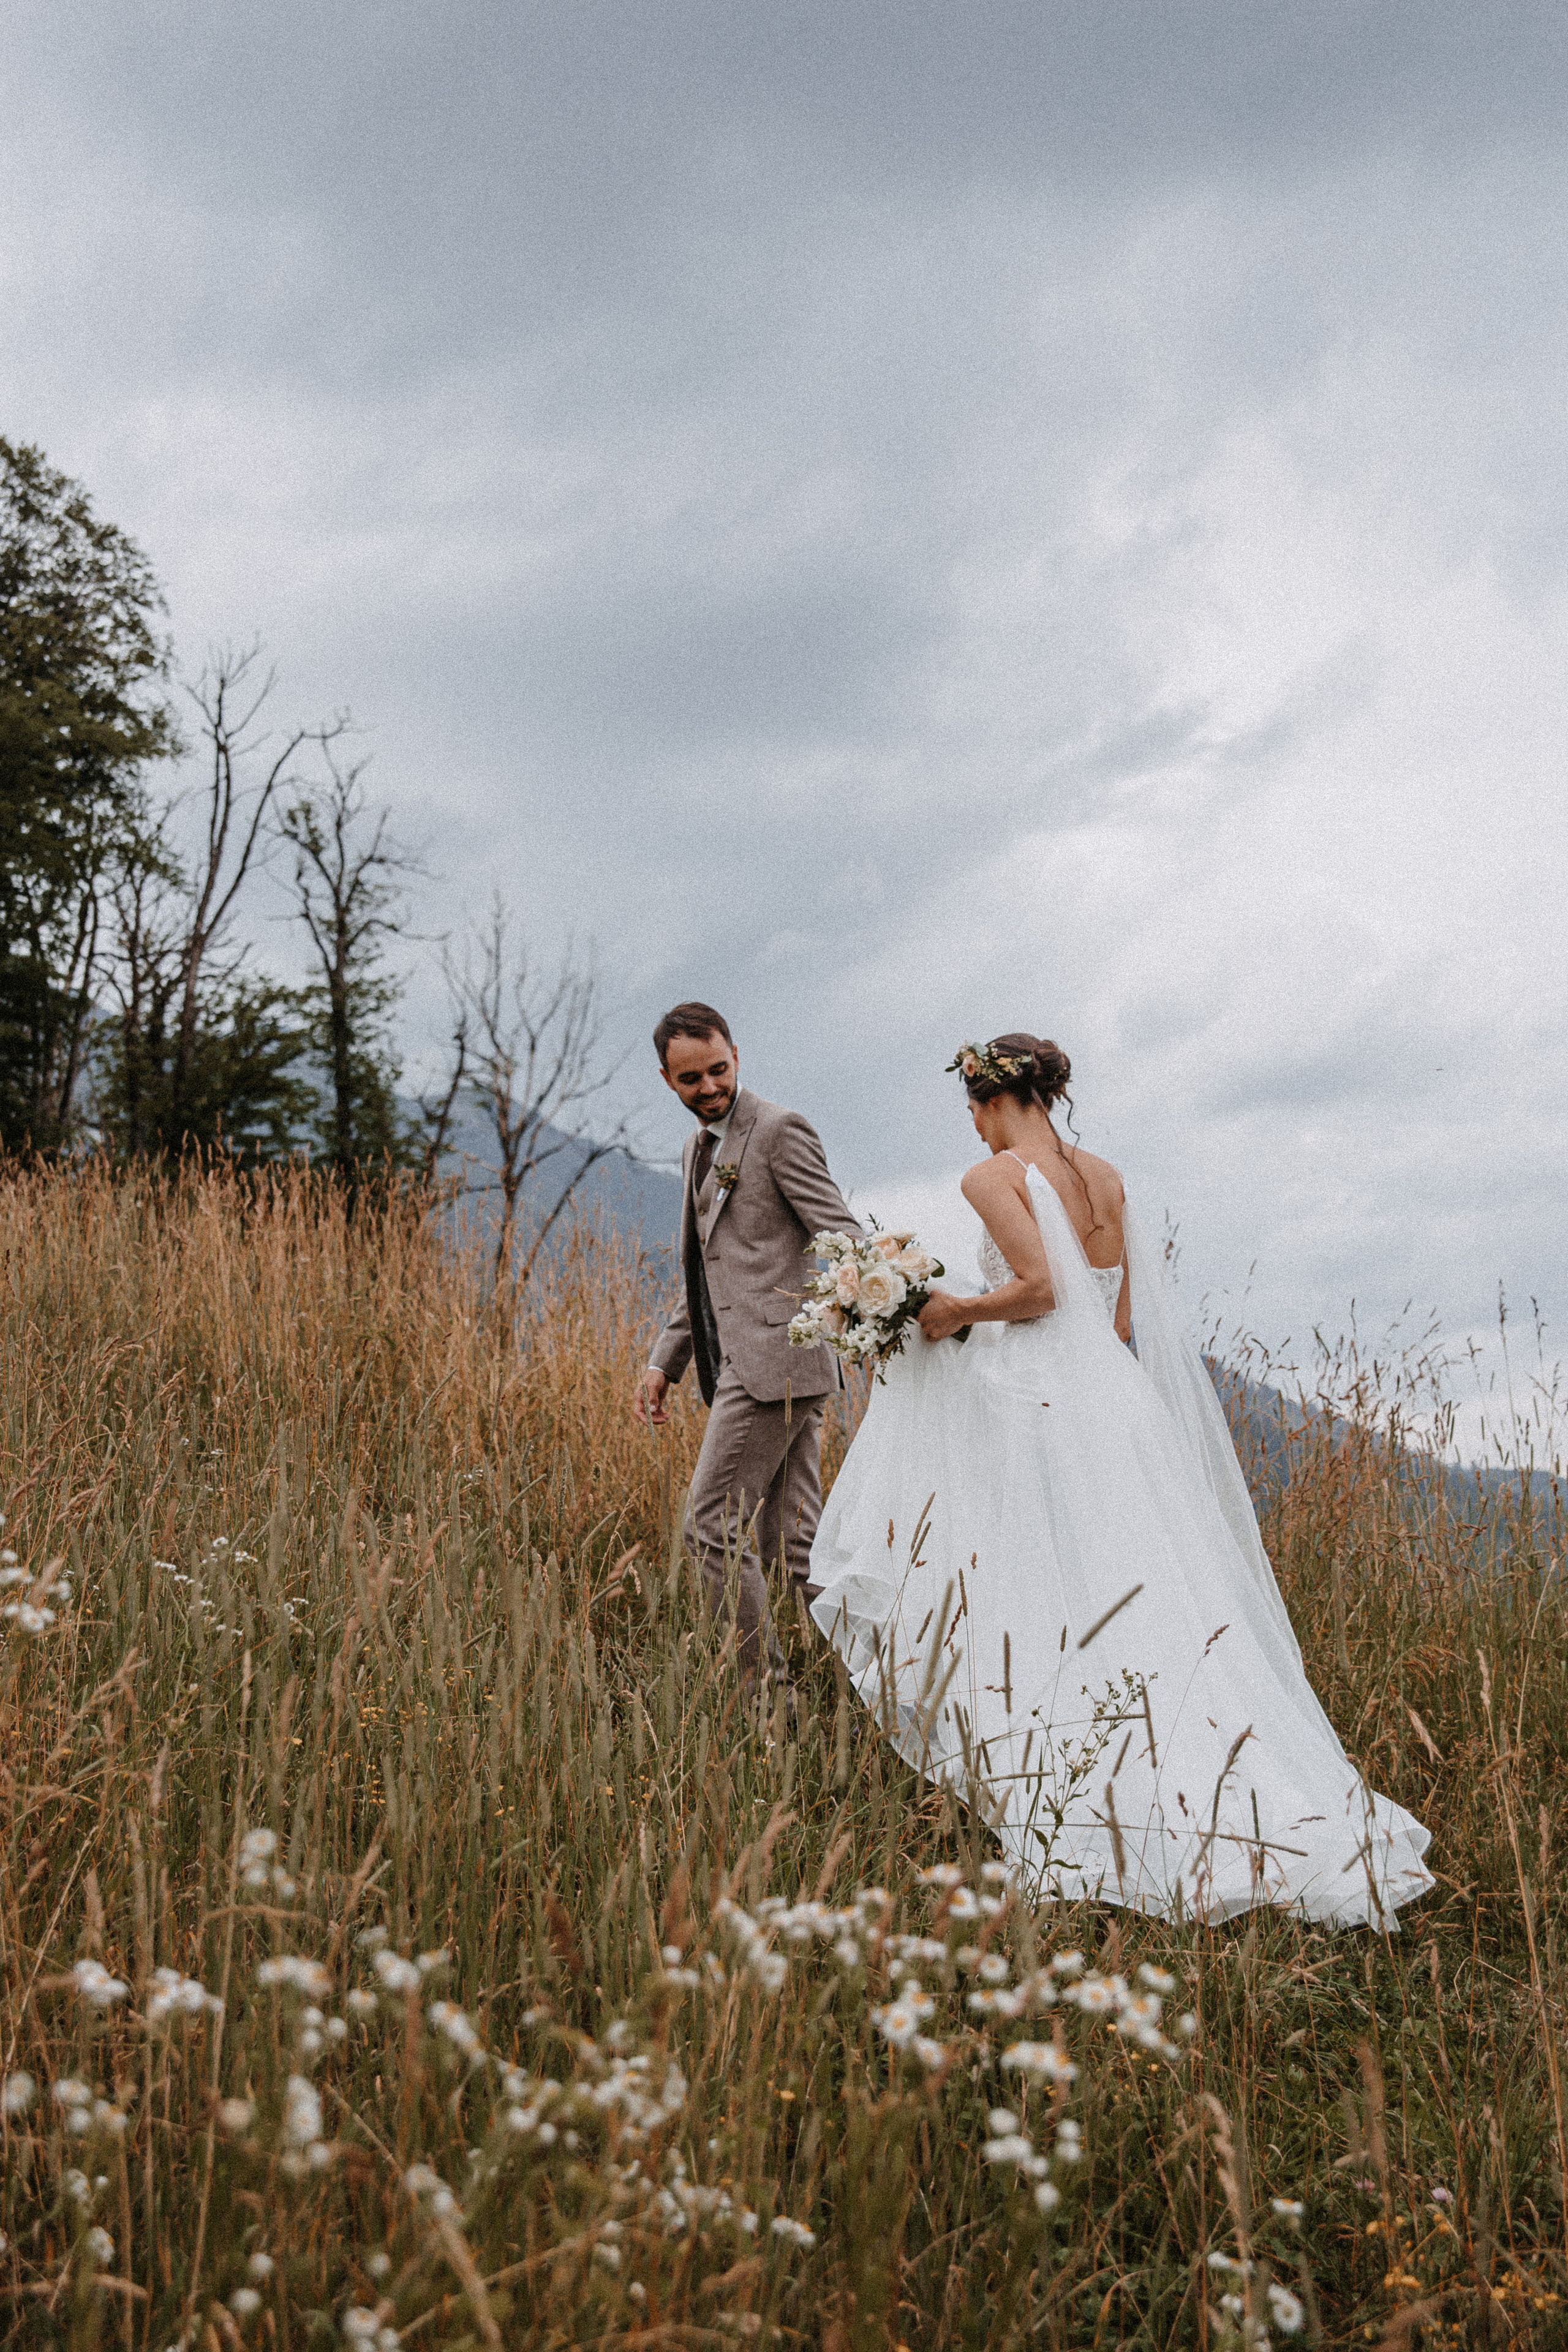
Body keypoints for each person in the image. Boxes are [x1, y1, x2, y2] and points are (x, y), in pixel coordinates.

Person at [808, 1032, 1433, 1926]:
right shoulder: (1106, 1176)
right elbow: (1119, 1313)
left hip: (1042, 1407)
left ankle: (1098, 1800)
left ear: (987, 1099)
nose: (978, 1132)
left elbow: (1040, 1291)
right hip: (1121, 1407)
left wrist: (952, 1312)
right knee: (1147, 1599)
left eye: (975, 1114)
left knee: (1051, 1595)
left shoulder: (991, 1179)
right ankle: (1208, 1788)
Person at [635, 1002, 861, 1687]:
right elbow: (709, 1273)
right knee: (796, 1552)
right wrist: (662, 1363)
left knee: (710, 1526)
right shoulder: (696, 1147)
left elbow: (843, 1237)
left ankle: (764, 1699)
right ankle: (886, 1688)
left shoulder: (778, 1131)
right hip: (747, 1365)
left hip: (777, 1364)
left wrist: (822, 1321)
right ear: (666, 1079)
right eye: (690, 1079)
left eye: (718, 1070)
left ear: (737, 1053)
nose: (708, 1088)